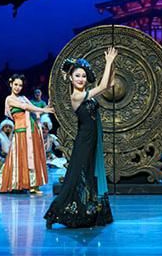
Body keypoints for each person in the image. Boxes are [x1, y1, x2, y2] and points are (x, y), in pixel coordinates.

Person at [44, 48, 117, 229]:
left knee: (88, 175)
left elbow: (109, 85)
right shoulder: (76, 96)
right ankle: (54, 213)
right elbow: (102, 87)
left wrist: (113, 64)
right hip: (84, 140)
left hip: (92, 140)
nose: (81, 79)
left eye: (83, 76)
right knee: (76, 176)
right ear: (70, 78)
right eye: (77, 76)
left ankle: (87, 212)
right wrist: (107, 62)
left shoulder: (87, 93)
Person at [0, 74, 54, 194]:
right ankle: (10, 183)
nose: (18, 87)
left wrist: (47, 107)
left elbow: (33, 109)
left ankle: (33, 185)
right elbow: (25, 107)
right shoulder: (9, 99)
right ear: (11, 84)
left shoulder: (23, 98)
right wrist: (43, 109)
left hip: (32, 129)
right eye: (16, 84)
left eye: (20, 85)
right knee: (18, 158)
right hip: (21, 131)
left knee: (33, 157)